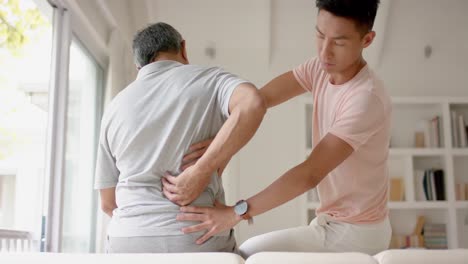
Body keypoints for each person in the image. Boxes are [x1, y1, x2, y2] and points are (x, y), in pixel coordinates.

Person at [162, 0, 392, 258]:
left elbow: (309, 173)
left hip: (357, 233)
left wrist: (235, 213)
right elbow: (257, 102)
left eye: (339, 42)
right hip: (332, 222)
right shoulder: (319, 68)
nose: (325, 52)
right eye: (319, 35)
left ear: (367, 40)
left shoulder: (365, 98)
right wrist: (219, 142)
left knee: (249, 254)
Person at [94, 22, 266, 253]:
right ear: (183, 48)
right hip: (194, 236)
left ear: (138, 64)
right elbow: (252, 103)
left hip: (126, 240)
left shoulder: (114, 107)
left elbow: (107, 203)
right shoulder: (210, 79)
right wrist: (203, 169)